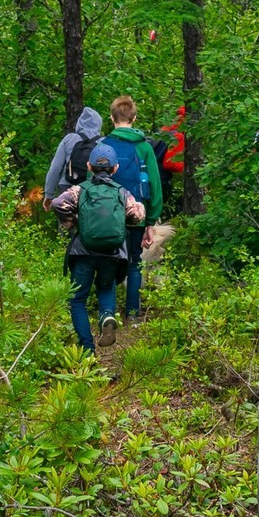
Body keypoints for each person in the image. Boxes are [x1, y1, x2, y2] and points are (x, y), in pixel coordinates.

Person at [50, 144, 146, 352]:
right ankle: (107, 315)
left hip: (83, 252)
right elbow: (137, 216)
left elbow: (57, 204)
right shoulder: (122, 192)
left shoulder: (79, 190)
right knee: (105, 286)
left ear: (89, 166)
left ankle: (87, 350)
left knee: (77, 300)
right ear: (115, 169)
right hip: (111, 252)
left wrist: (76, 221)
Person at [103, 96, 164, 321]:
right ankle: (132, 314)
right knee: (134, 262)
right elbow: (155, 186)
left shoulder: (103, 146)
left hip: (107, 214)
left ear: (111, 118)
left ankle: (107, 313)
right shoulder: (144, 148)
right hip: (136, 214)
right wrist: (151, 221)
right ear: (134, 118)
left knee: (109, 259)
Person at [44, 106, 103, 208]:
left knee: (68, 222)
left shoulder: (69, 139)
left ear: (79, 123)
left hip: (67, 188)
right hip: (94, 190)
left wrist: (49, 194)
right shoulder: (103, 142)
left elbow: (55, 168)